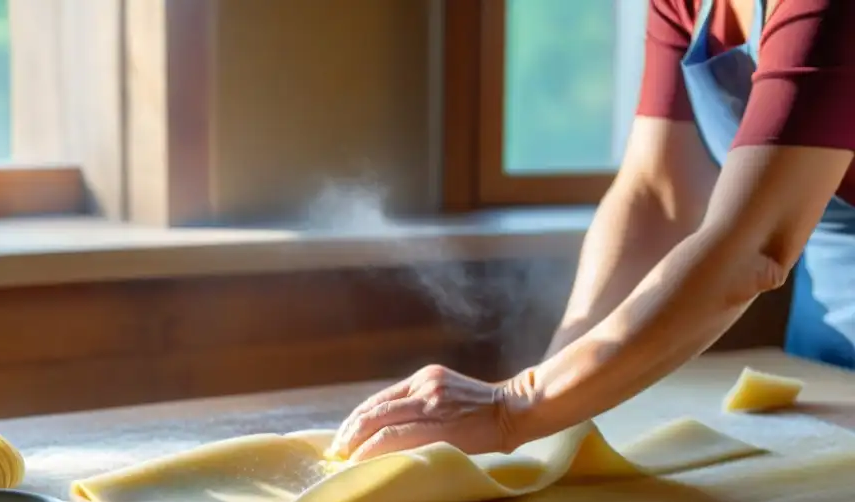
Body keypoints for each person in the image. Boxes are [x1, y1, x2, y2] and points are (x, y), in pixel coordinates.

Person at [330, 0, 855, 462]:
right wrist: (556, 394)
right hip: (823, 356)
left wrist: (516, 406)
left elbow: (751, 248)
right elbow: (657, 197)